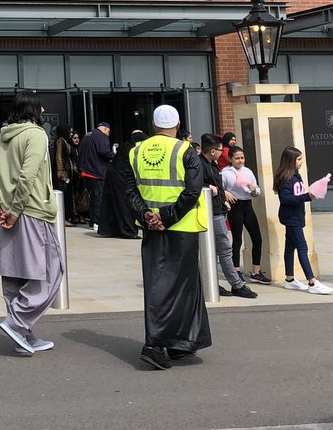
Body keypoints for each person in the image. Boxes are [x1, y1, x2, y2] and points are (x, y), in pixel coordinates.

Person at [123, 105, 211, 370]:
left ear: (153, 124)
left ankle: (180, 342)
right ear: (178, 123)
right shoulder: (186, 151)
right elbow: (192, 190)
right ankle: (156, 343)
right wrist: (168, 216)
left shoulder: (135, 151)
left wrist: (148, 214)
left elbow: (128, 189)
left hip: (151, 226)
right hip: (181, 226)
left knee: (158, 283)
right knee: (181, 286)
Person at [0, 90, 63, 355]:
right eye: (41, 108)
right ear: (33, 109)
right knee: (51, 272)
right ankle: (17, 323)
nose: (43, 112)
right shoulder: (36, 134)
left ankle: (23, 335)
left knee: (15, 275)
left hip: (6, 213)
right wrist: (16, 210)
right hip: (30, 212)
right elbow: (27, 175)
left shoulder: (1, 137)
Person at [200, 134, 257, 299]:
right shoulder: (200, 165)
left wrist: (222, 199)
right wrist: (209, 188)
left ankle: (214, 282)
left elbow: (218, 187)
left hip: (218, 209)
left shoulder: (213, 164)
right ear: (212, 151)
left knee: (220, 249)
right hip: (210, 212)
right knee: (224, 248)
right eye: (219, 149)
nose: (222, 152)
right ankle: (236, 284)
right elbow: (192, 183)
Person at [274, 146, 333, 295]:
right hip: (291, 217)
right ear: (291, 160)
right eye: (299, 159)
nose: (301, 162)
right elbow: (286, 198)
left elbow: (296, 195)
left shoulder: (296, 175)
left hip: (297, 216)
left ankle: (289, 279)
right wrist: (307, 197)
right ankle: (312, 282)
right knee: (302, 247)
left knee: (290, 247)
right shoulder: (285, 178)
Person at [221, 146, 269, 283]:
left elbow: (257, 191)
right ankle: (236, 270)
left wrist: (254, 189)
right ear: (230, 159)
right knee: (237, 240)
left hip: (247, 205)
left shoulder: (247, 171)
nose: (240, 161)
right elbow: (221, 189)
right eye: (237, 158)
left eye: (242, 158)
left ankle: (256, 271)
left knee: (257, 238)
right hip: (235, 206)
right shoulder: (226, 173)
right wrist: (225, 195)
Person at [98, 129, 144, 239]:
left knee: (115, 204)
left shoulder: (125, 146)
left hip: (114, 176)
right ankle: (128, 230)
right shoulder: (134, 148)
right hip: (122, 178)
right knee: (125, 204)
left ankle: (114, 230)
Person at [78, 121, 115, 230]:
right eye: (108, 131)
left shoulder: (87, 135)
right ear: (105, 129)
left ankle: (92, 221)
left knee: (93, 197)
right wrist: (115, 156)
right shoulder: (101, 136)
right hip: (97, 171)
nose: (108, 134)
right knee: (99, 198)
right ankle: (97, 222)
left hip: (86, 171)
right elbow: (104, 151)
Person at [52, 126, 79, 224]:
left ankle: (68, 216)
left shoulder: (65, 141)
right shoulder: (61, 141)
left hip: (67, 173)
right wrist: (62, 173)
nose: (71, 134)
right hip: (63, 175)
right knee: (63, 195)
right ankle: (63, 218)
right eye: (70, 132)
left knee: (68, 195)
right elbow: (59, 157)